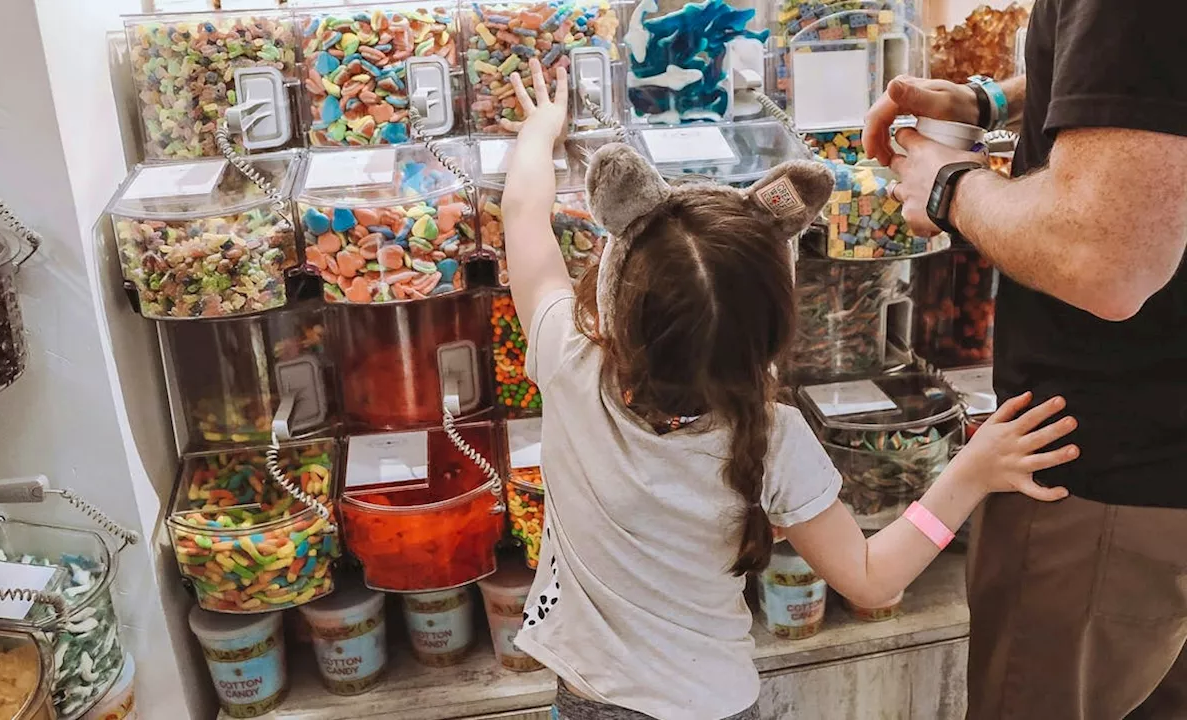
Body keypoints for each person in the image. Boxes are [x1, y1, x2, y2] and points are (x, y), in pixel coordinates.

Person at [499, 59, 1079, 720]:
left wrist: (539, 131)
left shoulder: (566, 362)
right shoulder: (774, 437)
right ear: (774, 334)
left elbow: (524, 214)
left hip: (585, 700)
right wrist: (969, 473)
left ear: (612, 289)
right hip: (712, 705)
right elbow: (870, 577)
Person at [862, 1, 1187, 716]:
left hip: (1103, 483)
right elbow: (1151, 87)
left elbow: (1105, 260)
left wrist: (949, 186)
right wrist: (998, 97)